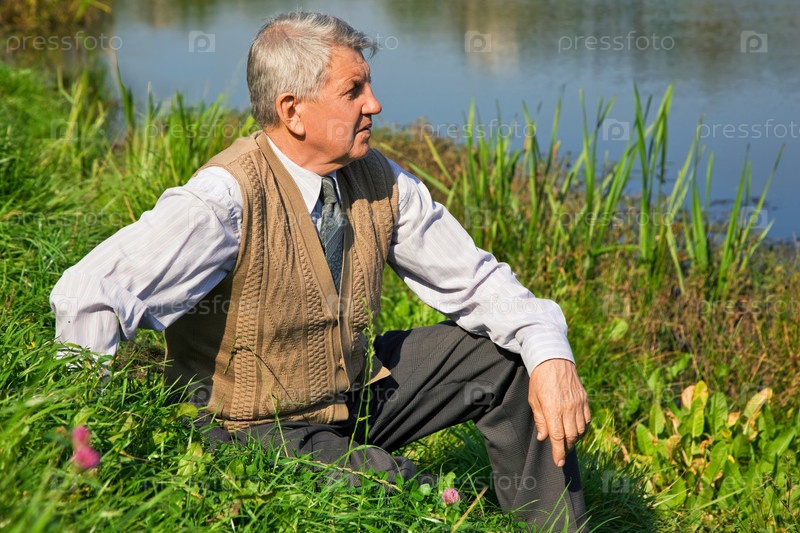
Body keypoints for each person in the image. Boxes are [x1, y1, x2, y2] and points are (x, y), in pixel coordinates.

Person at [50, 11, 590, 531]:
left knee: (513, 356)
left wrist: (551, 354)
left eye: (368, 86)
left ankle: (556, 529)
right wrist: (85, 444)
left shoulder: (379, 180)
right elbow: (90, 293)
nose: (374, 104)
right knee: (411, 494)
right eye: (354, 90)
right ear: (293, 111)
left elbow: (476, 282)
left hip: (350, 398)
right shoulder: (225, 199)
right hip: (246, 429)